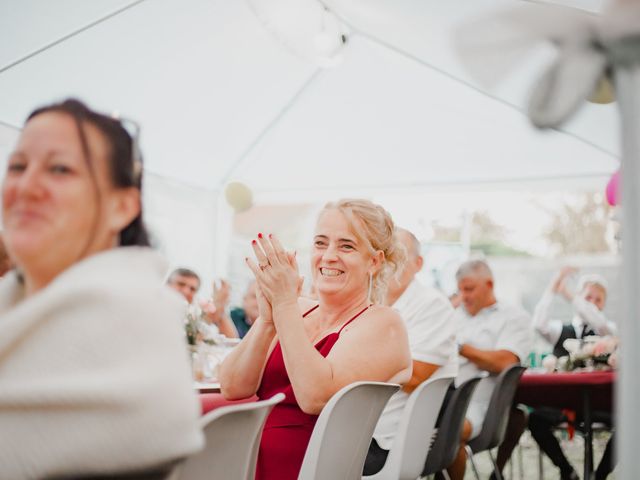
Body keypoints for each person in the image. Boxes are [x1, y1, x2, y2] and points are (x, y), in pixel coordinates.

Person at [0, 99, 203, 478]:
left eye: (60, 169)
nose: (26, 186)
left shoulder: (131, 326)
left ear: (123, 206)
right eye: (17, 166)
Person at [219, 199, 413, 480]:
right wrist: (267, 321)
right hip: (245, 458)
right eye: (321, 244)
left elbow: (314, 397)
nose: (329, 256)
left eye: (346, 246)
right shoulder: (295, 309)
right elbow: (232, 386)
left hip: (306, 470)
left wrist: (284, 305)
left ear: (374, 261)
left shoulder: (384, 324)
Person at [496, 267, 616, 480]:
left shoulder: (607, 330)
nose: (592, 303)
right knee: (535, 419)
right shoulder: (560, 330)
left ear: (603, 305)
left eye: (598, 300)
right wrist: (554, 286)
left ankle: (600, 476)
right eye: (588, 297)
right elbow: (538, 323)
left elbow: (596, 319)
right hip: (564, 406)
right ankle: (566, 470)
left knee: (629, 422)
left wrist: (570, 295)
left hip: (598, 405)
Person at [363, 228, 457, 475]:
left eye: (400, 254)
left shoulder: (433, 306)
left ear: (419, 264)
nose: (392, 262)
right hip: (359, 425)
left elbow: (414, 376)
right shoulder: (366, 300)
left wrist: (354, 357)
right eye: (387, 253)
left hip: (390, 437)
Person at [448, 259, 532, 480]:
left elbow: (505, 361)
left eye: (469, 289)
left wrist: (458, 347)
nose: (463, 296)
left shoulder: (514, 317)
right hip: (442, 397)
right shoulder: (454, 316)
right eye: (460, 290)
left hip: (479, 406)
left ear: (489, 284)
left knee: (450, 431)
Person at [168, 267, 238, 338]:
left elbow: (232, 340)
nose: (186, 291)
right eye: (181, 284)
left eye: (192, 289)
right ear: (167, 285)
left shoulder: (194, 314)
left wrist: (221, 307)